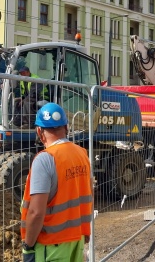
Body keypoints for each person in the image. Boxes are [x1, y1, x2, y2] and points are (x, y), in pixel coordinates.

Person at [20, 103, 93, 262]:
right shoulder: (82, 154)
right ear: (66, 127)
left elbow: (36, 212)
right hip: (76, 239)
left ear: (39, 131)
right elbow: (87, 195)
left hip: (51, 245)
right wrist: (86, 232)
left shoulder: (45, 159)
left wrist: (28, 245)